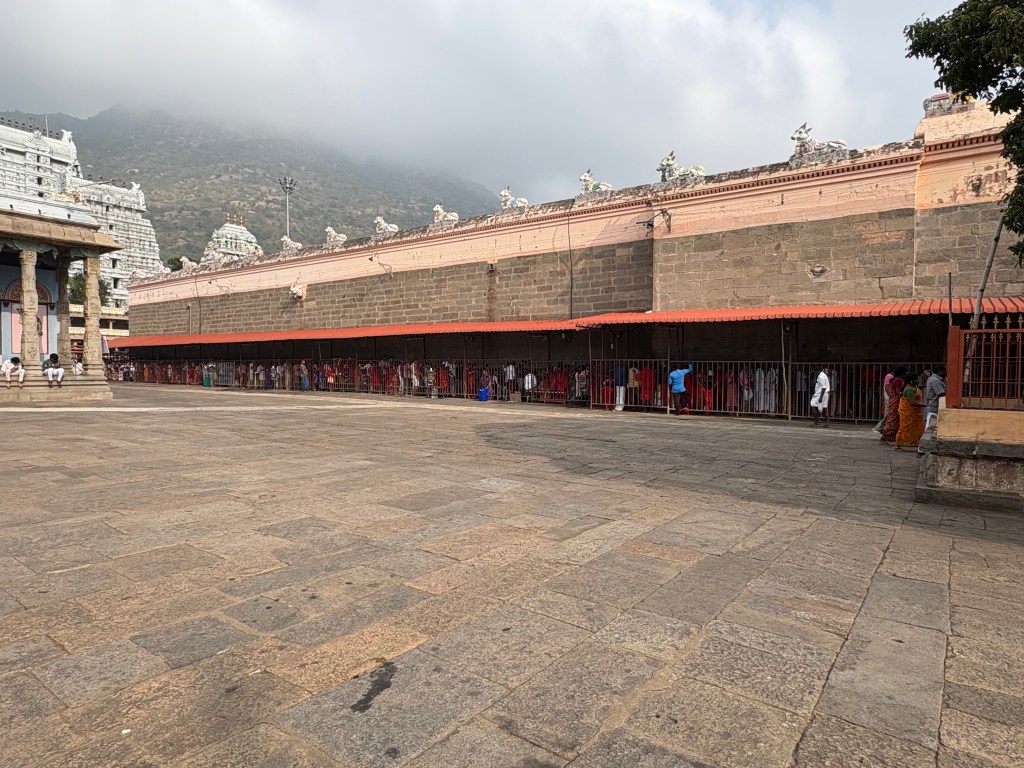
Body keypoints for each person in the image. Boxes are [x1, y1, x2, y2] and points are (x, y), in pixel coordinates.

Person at [895, 373, 926, 450]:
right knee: (905, 427)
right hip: (908, 412)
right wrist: (925, 405)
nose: (918, 381)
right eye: (916, 379)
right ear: (911, 381)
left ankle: (915, 443)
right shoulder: (909, 390)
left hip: (914, 412)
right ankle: (899, 443)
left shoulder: (913, 387)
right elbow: (912, 403)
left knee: (915, 427)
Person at [879, 366, 907, 444]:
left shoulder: (895, 379)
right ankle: (886, 435)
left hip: (893, 400)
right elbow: (898, 392)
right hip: (896, 401)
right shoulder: (898, 380)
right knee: (893, 419)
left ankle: (890, 435)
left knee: (892, 418)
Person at [924, 365, 947, 431]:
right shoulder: (935, 380)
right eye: (945, 371)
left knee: (935, 428)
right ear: (940, 371)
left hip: (936, 407)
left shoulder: (940, 379)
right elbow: (941, 394)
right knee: (931, 427)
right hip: (934, 407)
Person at [873, 365, 894, 433]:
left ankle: (885, 426)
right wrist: (891, 396)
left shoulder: (891, 376)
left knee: (889, 412)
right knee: (888, 412)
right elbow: (887, 388)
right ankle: (883, 426)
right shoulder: (889, 376)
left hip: (890, 397)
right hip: (889, 397)